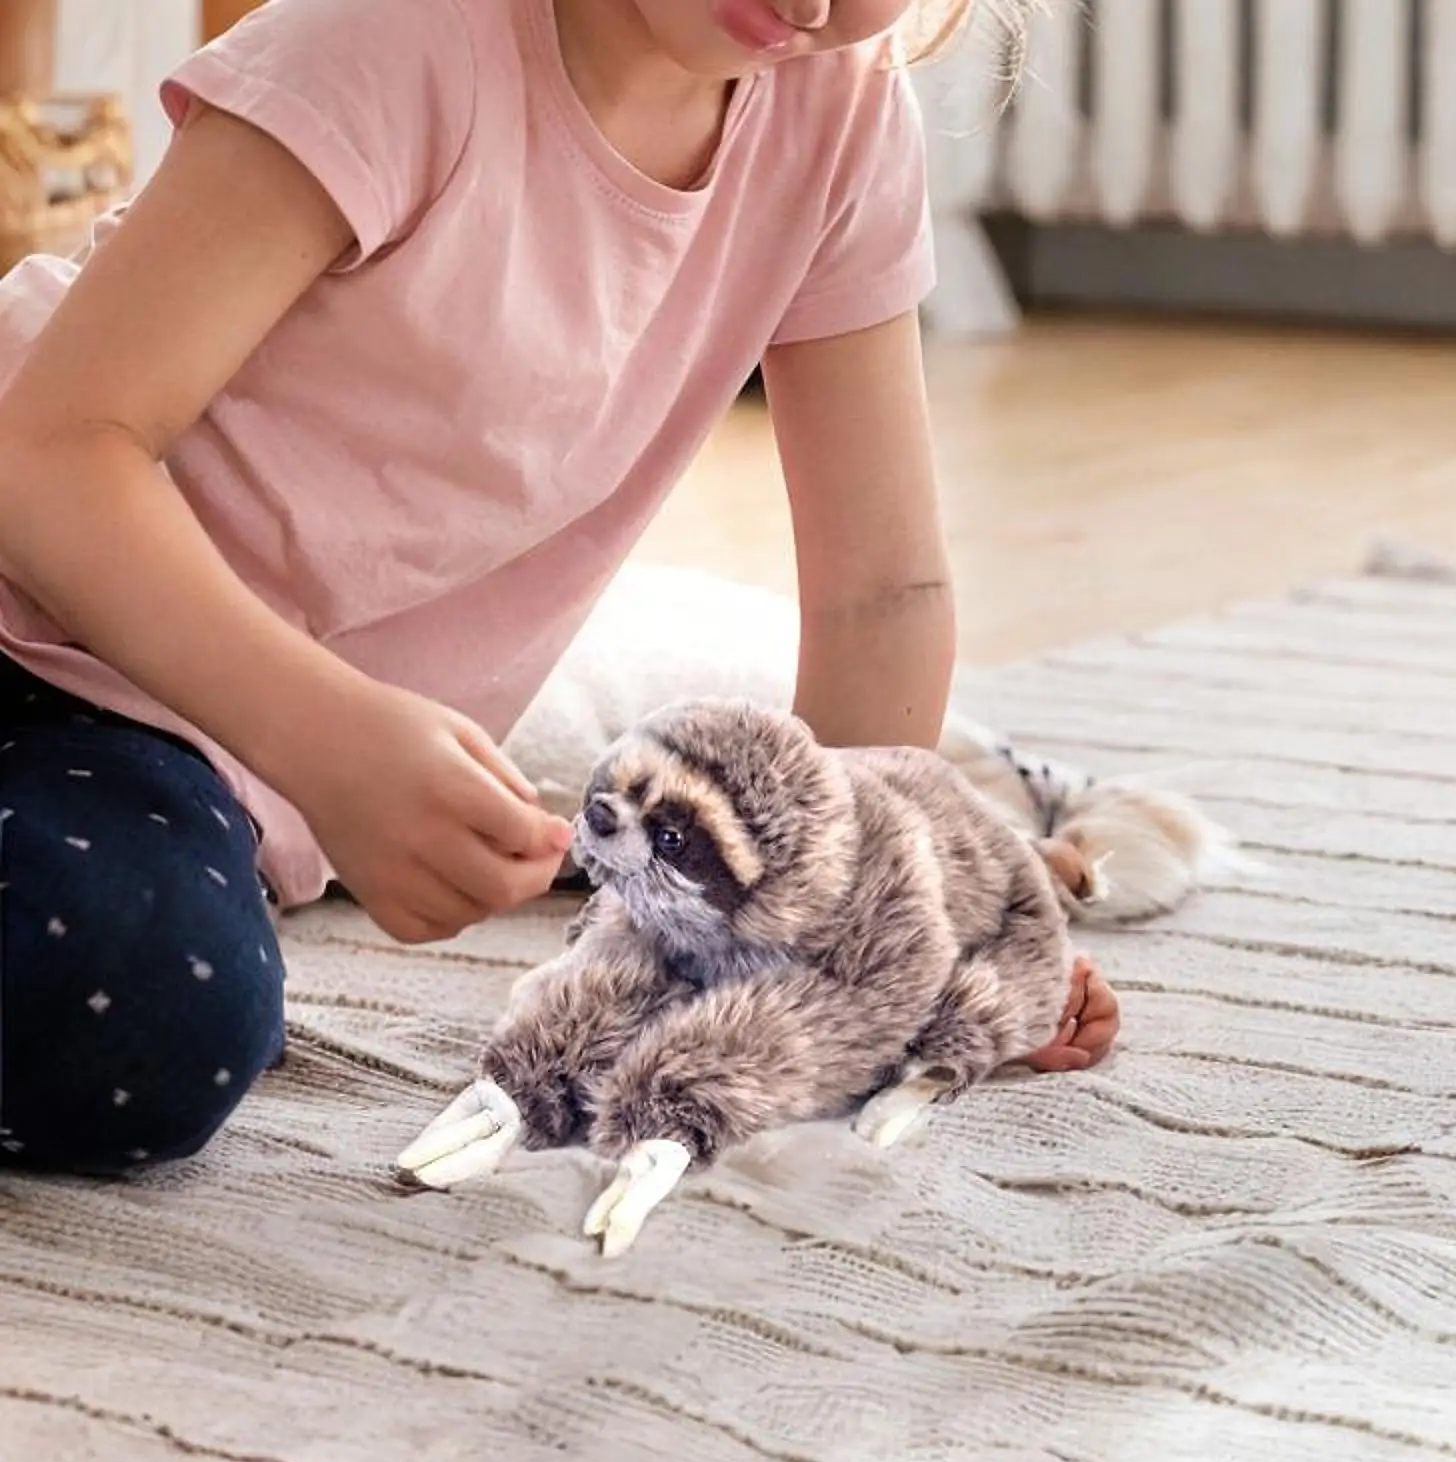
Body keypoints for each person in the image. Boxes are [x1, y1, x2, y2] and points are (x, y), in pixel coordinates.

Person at [0, 0, 1118, 1176]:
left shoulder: (836, 119)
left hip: (148, 735)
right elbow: (49, 452)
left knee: (151, 1015)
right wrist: (325, 742)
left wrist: (867, 942)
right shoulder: (392, 38)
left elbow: (879, 591)